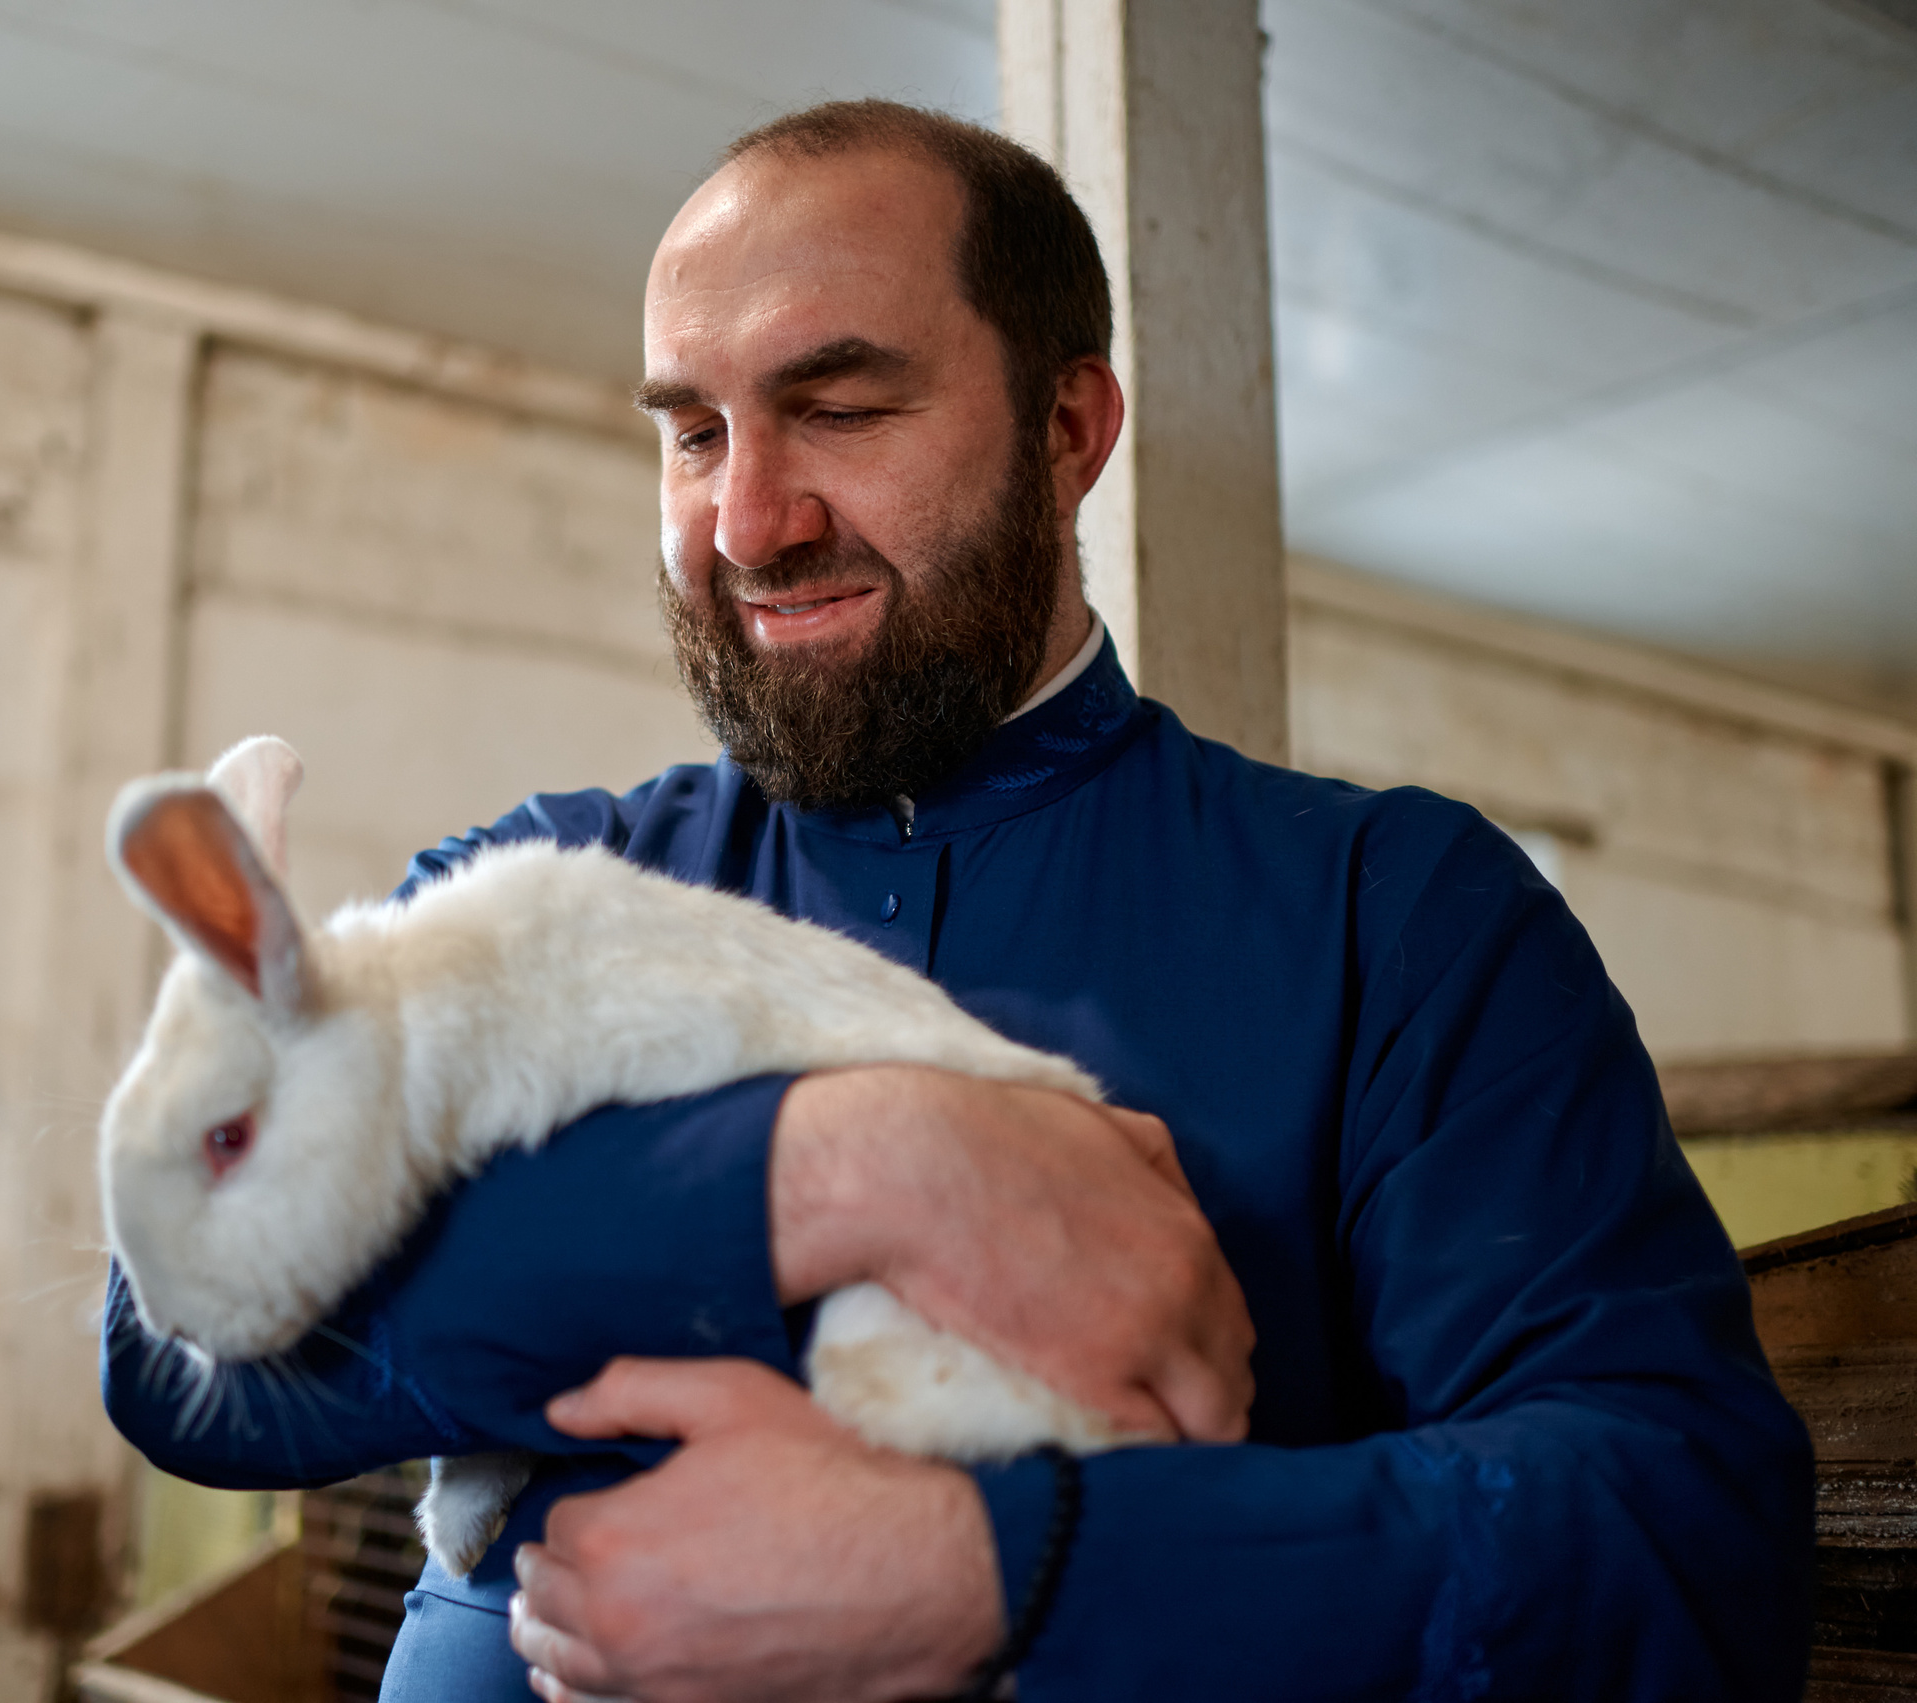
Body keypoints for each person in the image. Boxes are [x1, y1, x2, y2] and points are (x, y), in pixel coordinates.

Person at [104, 100, 1811, 1700]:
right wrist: (822, 1181)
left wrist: (1002, 1565)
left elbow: (1681, 1534)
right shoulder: (537, 884)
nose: (748, 521)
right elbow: (172, 1338)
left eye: (840, 407)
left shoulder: (1397, 920)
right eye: (692, 432)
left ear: (1069, 430)